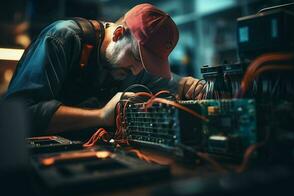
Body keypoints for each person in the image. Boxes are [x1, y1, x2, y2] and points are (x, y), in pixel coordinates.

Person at [4, 3, 203, 136]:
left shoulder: (132, 66)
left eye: (146, 65)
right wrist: (101, 115)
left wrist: (188, 85)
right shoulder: (63, 38)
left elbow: (176, 84)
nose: (136, 71)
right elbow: (19, 116)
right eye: (136, 58)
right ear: (118, 34)